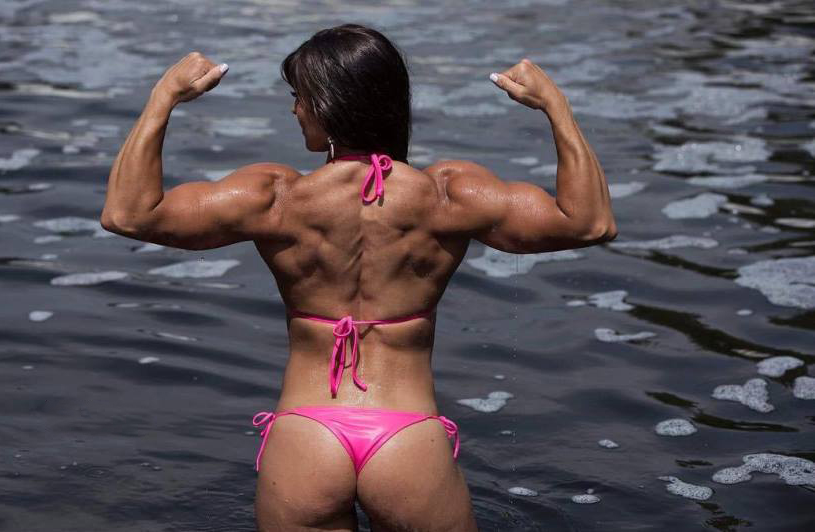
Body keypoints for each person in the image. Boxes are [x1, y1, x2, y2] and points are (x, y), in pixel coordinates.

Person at [101, 23, 616, 532]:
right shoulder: (447, 195)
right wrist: (556, 107)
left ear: (327, 106)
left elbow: (128, 214)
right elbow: (590, 223)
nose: (294, 109)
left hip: (306, 437)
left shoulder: (276, 197)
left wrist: (162, 97)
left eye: (299, 96)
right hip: (408, 442)